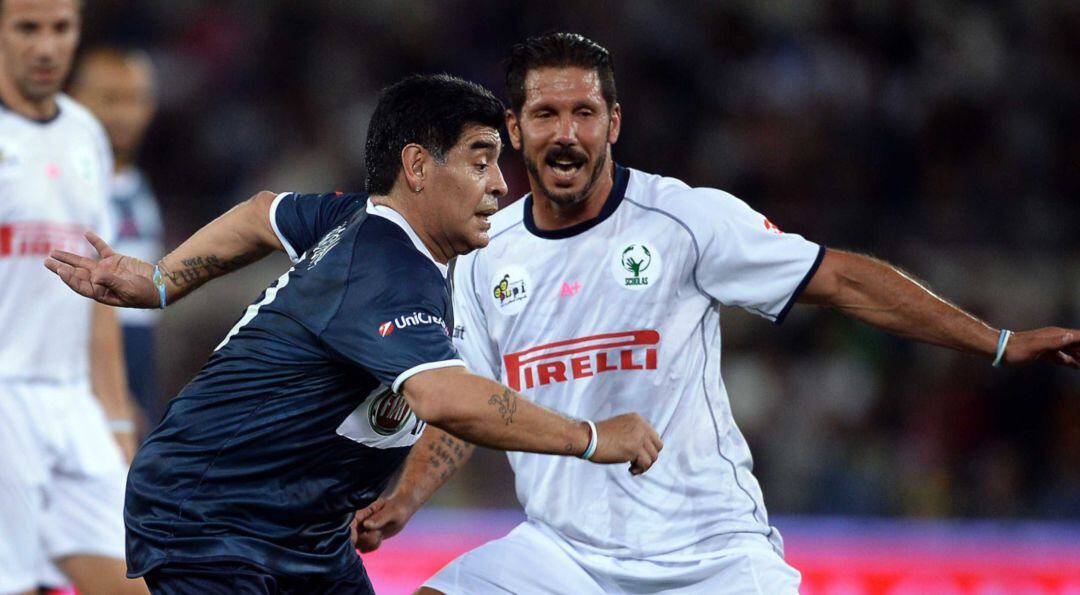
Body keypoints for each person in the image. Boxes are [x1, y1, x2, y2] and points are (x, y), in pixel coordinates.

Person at [348, 33, 1080, 594]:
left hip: (709, 553)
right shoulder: (483, 253)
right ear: (514, 128)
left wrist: (999, 342)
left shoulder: (685, 219)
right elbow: (470, 405)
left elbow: (842, 279)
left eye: (584, 112)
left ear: (614, 123)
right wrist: (403, 501)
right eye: (545, 113)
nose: (565, 132)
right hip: (563, 556)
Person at [45, 73, 663, 594]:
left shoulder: (367, 223)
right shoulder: (386, 268)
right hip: (213, 516)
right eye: (480, 161)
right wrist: (590, 438)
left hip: (305, 528)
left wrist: (162, 281)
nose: (501, 184)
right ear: (417, 165)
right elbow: (447, 398)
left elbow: (264, 212)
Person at [0, 1, 145, 594]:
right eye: (27, 28)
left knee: (137, 582)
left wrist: (114, 419)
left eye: (61, 29)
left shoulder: (85, 134)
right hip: (4, 401)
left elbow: (98, 291)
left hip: (72, 405)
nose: (46, 47)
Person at [69, 45, 164, 426]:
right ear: (76, 100)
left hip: (137, 377)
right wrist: (111, 398)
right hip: (83, 387)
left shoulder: (138, 185)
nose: (125, 115)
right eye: (110, 99)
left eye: (137, 100)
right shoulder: (64, 185)